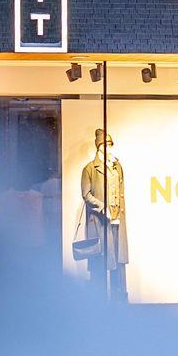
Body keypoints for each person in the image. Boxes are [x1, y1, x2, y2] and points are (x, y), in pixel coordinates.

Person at [79, 128, 129, 301]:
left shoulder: (117, 166)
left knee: (119, 262)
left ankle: (119, 299)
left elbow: (121, 192)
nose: (109, 147)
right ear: (99, 147)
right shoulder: (89, 169)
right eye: (105, 144)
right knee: (99, 261)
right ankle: (98, 301)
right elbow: (86, 194)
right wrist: (102, 207)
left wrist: (118, 212)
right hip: (99, 221)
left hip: (117, 221)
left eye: (110, 144)